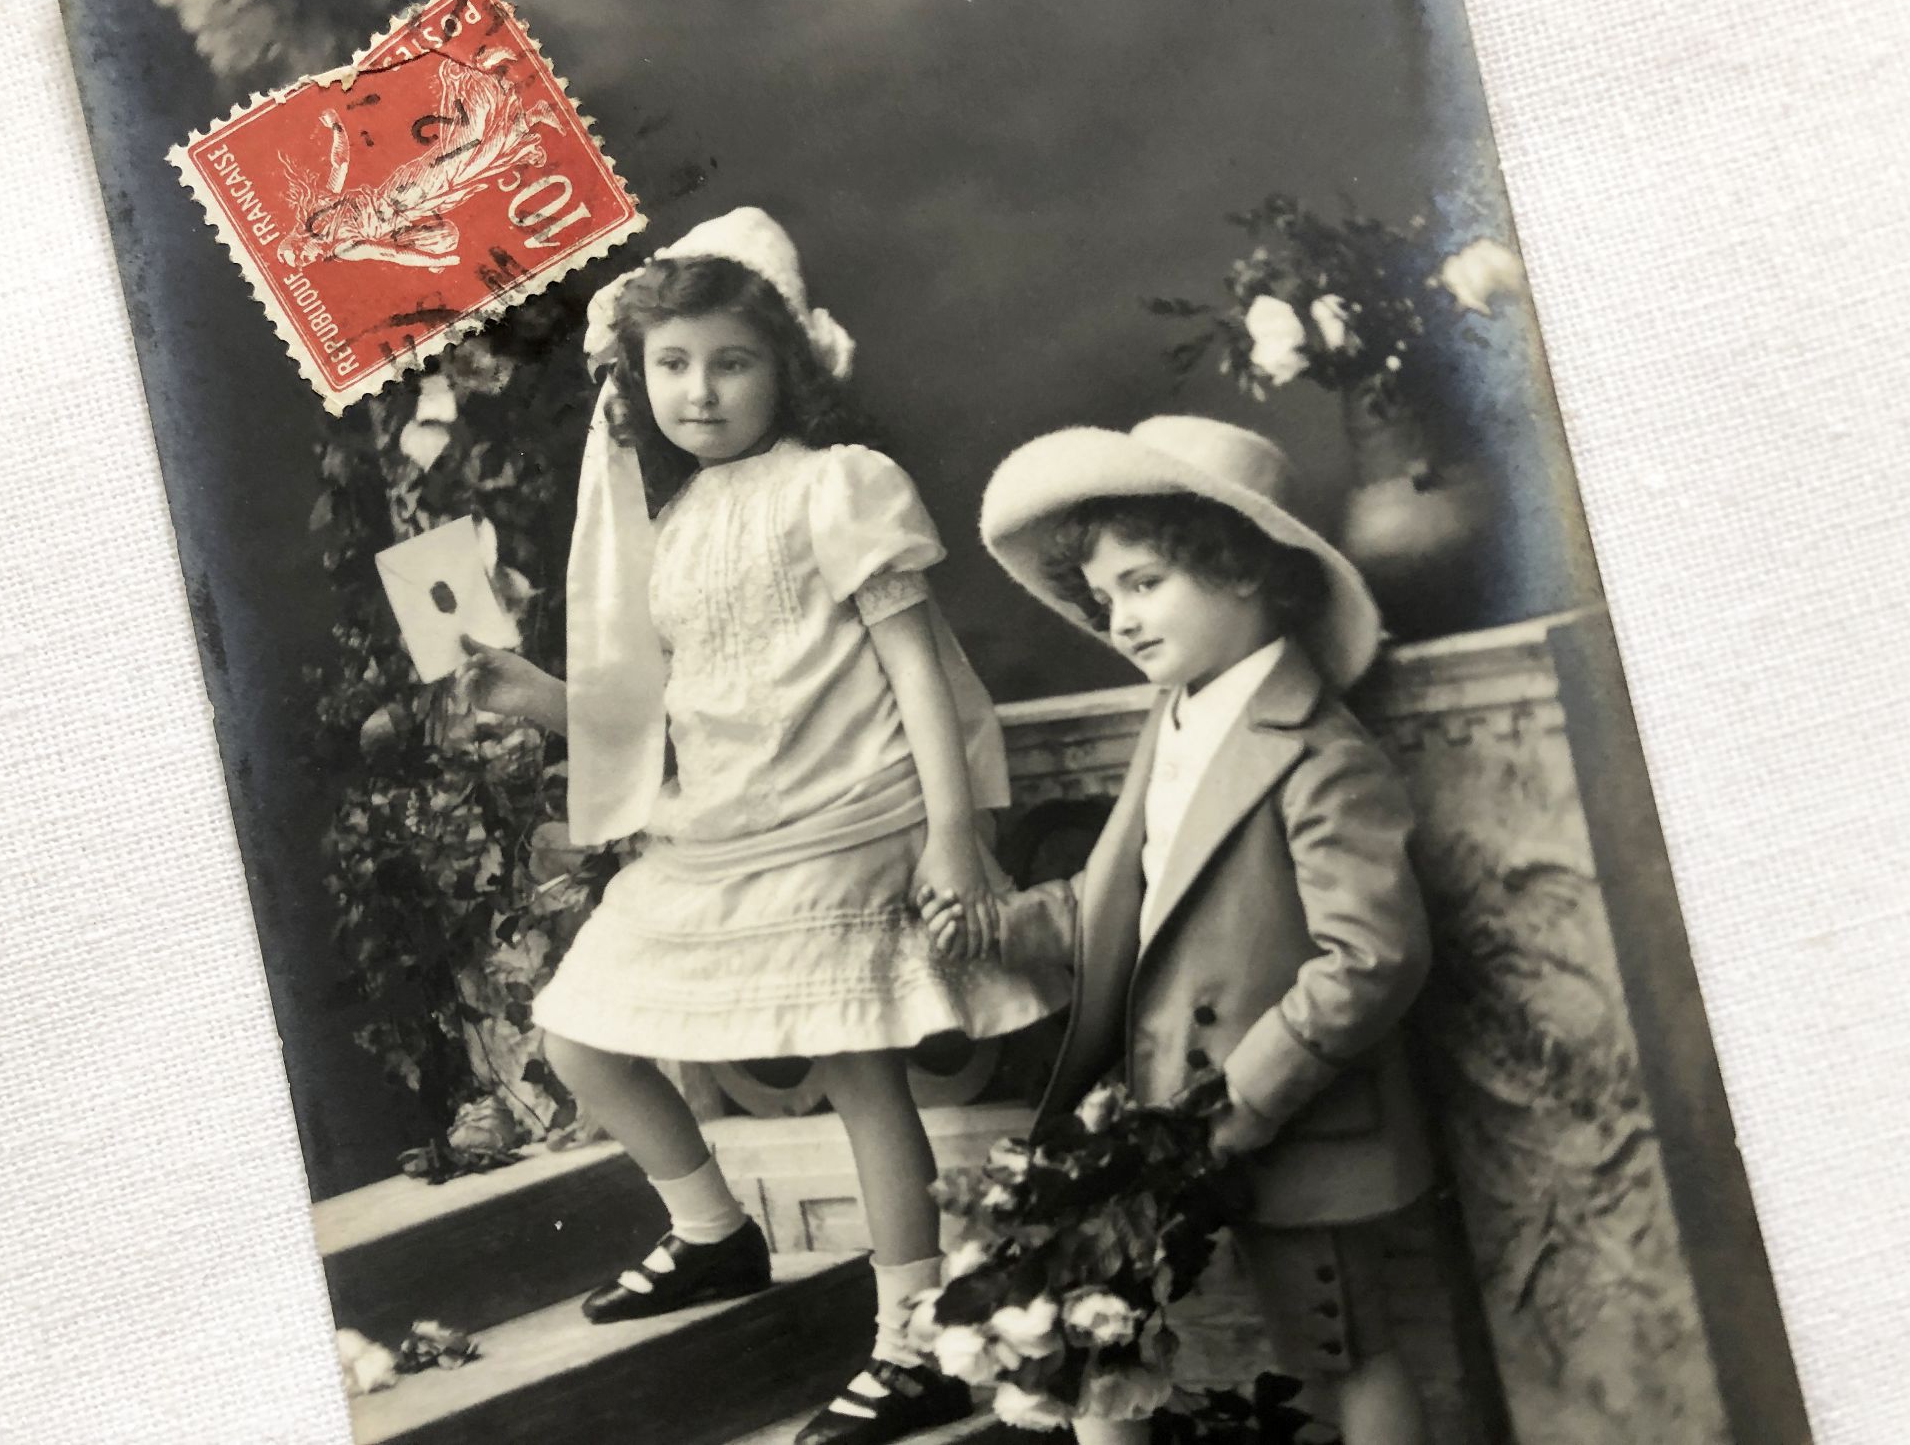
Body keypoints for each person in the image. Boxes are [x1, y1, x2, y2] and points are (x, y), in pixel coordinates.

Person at [460, 207, 1062, 1445]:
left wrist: (950, 837)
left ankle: (914, 1333)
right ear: (638, 381)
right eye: (670, 365)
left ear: (790, 366)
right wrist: (541, 699)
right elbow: (674, 710)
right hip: (721, 830)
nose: (699, 389)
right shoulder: (671, 527)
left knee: (859, 1069)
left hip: (848, 820)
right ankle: (712, 1234)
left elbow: (916, 675)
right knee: (578, 1035)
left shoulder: (840, 487)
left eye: (730, 361)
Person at [923, 416, 1434, 1445]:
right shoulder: (1175, 722)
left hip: (1283, 1123)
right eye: (1105, 596)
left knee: (1339, 1348)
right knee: (1080, 1342)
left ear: (1243, 568)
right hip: (1152, 1118)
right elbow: (1129, 905)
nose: (1118, 619)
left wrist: (1240, 1102)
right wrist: (995, 931)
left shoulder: (1317, 750)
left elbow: (1370, 959)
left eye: (1146, 583)